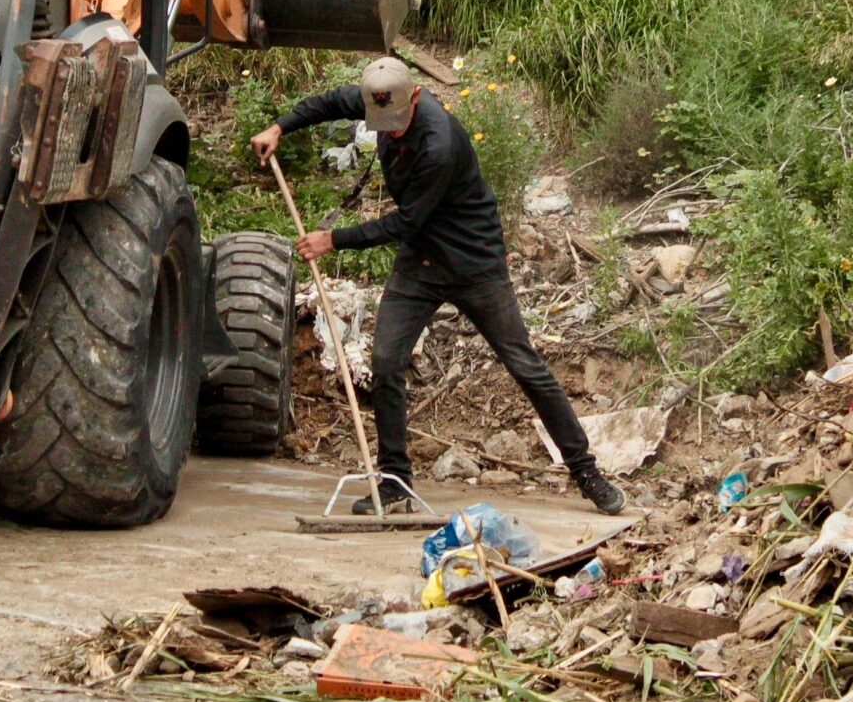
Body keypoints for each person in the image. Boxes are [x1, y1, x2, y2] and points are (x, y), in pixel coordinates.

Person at [252, 58, 626, 517]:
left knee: (525, 365)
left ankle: (586, 472)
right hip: (421, 263)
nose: (390, 130)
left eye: (397, 120)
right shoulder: (380, 98)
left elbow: (406, 221)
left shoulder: (439, 145)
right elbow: (330, 102)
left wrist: (334, 240)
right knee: (386, 363)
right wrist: (279, 127)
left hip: (473, 262)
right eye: (381, 121)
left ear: (416, 96)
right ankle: (395, 483)